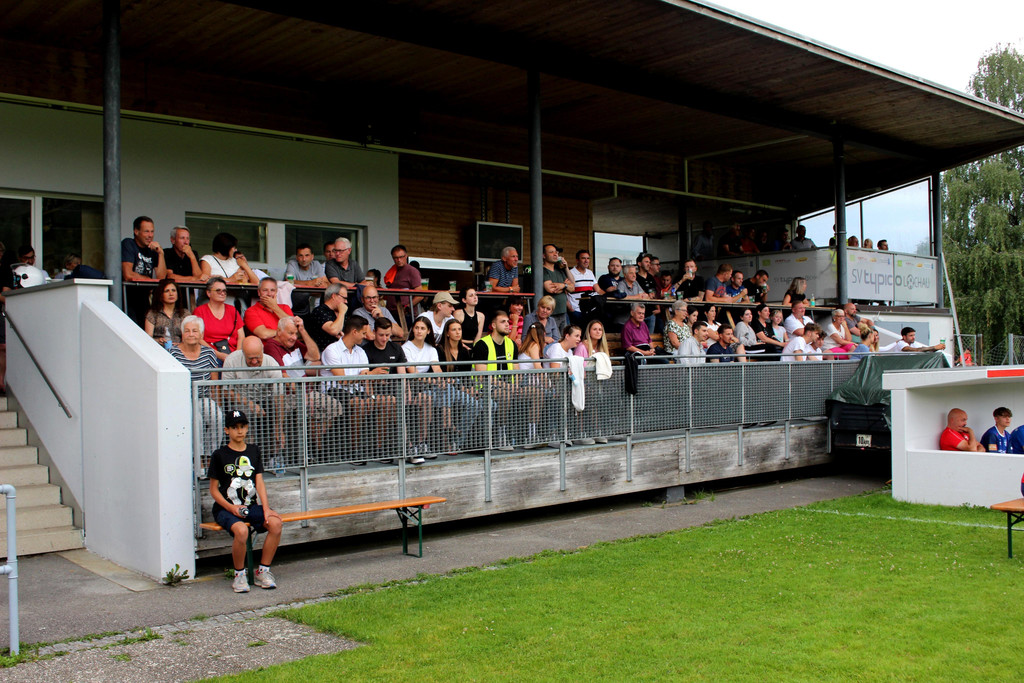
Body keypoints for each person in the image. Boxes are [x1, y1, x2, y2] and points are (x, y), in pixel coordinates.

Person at [208, 409, 283, 593]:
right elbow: (213, 490)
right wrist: (230, 508)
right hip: (225, 508)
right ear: (227, 430)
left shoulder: (253, 450)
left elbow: (259, 481)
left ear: (247, 428)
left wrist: (266, 508)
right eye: (234, 427)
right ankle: (239, 574)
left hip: (250, 506)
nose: (239, 431)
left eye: (242, 427)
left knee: (275, 523)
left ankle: (263, 571)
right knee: (241, 531)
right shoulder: (219, 455)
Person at [221, 337, 285, 456]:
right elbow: (226, 391)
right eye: (250, 358)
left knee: (275, 413)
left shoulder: (271, 363)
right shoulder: (231, 360)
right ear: (243, 353)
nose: (255, 361)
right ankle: (244, 455)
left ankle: (272, 457)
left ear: (263, 352)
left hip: (265, 400)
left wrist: (278, 427)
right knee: (243, 417)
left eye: (258, 357)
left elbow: (278, 397)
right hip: (239, 401)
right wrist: (248, 403)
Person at [169, 315, 223, 454]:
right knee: (196, 419)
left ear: (201, 334)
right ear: (182, 333)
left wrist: (216, 403)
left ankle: (211, 456)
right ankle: (197, 459)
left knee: (216, 415)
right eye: (187, 331)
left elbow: (214, 383)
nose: (191, 334)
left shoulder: (209, 353)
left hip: (203, 398)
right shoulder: (173, 353)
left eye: (195, 331)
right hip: (182, 400)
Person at [473, 310, 521, 450]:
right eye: (503, 322)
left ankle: (532, 434)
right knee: (504, 395)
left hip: (510, 387)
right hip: (485, 388)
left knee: (537, 392)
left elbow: (517, 370)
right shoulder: (482, 344)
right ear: (493, 325)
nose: (507, 324)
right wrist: (509, 387)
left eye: (508, 321)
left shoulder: (512, 344)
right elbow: (482, 376)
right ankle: (501, 436)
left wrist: (516, 386)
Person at [401, 317, 443, 461]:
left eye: (422, 328)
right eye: (417, 327)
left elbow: (437, 369)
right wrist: (432, 380)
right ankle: (419, 443)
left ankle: (425, 442)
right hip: (412, 387)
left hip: (427, 384)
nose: (419, 331)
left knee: (446, 391)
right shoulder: (406, 347)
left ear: (428, 331)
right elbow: (413, 374)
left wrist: (439, 379)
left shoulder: (431, 349)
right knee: (427, 398)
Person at [436, 318, 480, 452]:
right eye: (454, 330)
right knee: (450, 389)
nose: (457, 332)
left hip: (461, 389)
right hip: (443, 388)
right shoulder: (440, 350)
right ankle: (447, 429)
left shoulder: (465, 351)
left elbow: (467, 376)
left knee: (476, 403)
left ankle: (457, 441)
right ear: (447, 333)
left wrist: (471, 388)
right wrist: (462, 387)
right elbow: (441, 376)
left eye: (459, 329)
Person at [122, 216, 168, 325]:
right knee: (131, 328)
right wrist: (148, 279)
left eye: (152, 232)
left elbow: (161, 277)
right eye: (146, 231)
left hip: (144, 298)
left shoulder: (152, 250)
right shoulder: (128, 244)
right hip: (128, 296)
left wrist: (160, 253)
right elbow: (128, 274)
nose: (150, 235)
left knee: (145, 329)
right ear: (136, 231)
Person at [194, 277, 245, 361]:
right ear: (208, 293)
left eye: (224, 291)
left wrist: (237, 355)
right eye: (218, 290)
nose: (222, 293)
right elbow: (199, 339)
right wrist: (218, 355)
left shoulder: (233, 310)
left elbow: (241, 336)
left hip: (234, 354)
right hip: (209, 355)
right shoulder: (200, 312)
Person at [383, 244, 424, 319]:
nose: (399, 260)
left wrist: (407, 307)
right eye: (396, 258)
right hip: (390, 312)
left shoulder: (412, 271)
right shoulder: (392, 271)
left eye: (401, 257)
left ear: (406, 256)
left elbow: (420, 295)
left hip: (405, 314)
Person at [306, 282, 348, 353]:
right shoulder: (319, 311)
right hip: (321, 355)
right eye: (344, 298)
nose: (346, 301)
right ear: (334, 296)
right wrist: (342, 313)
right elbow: (333, 330)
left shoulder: (340, 312)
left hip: (340, 353)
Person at [144, 278, 186, 347]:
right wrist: (157, 340)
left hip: (181, 351)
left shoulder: (185, 313)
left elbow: (191, 336)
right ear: (160, 295)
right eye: (167, 291)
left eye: (173, 290)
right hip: (159, 349)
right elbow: (147, 338)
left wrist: (181, 345)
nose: (171, 294)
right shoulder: (152, 313)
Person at [541, 243, 573, 331]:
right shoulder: (543, 270)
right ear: (544, 255)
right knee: (554, 341)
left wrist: (563, 285)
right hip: (550, 314)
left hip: (563, 312)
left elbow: (573, 287)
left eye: (556, 252)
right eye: (551, 252)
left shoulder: (560, 270)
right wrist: (565, 288)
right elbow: (551, 289)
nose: (555, 254)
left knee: (564, 339)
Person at [566, 249, 596, 324]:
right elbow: (565, 292)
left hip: (590, 310)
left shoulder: (590, 273)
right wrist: (571, 309)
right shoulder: (570, 273)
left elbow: (597, 289)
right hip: (576, 310)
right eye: (583, 258)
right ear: (577, 260)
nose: (586, 261)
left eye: (588, 258)